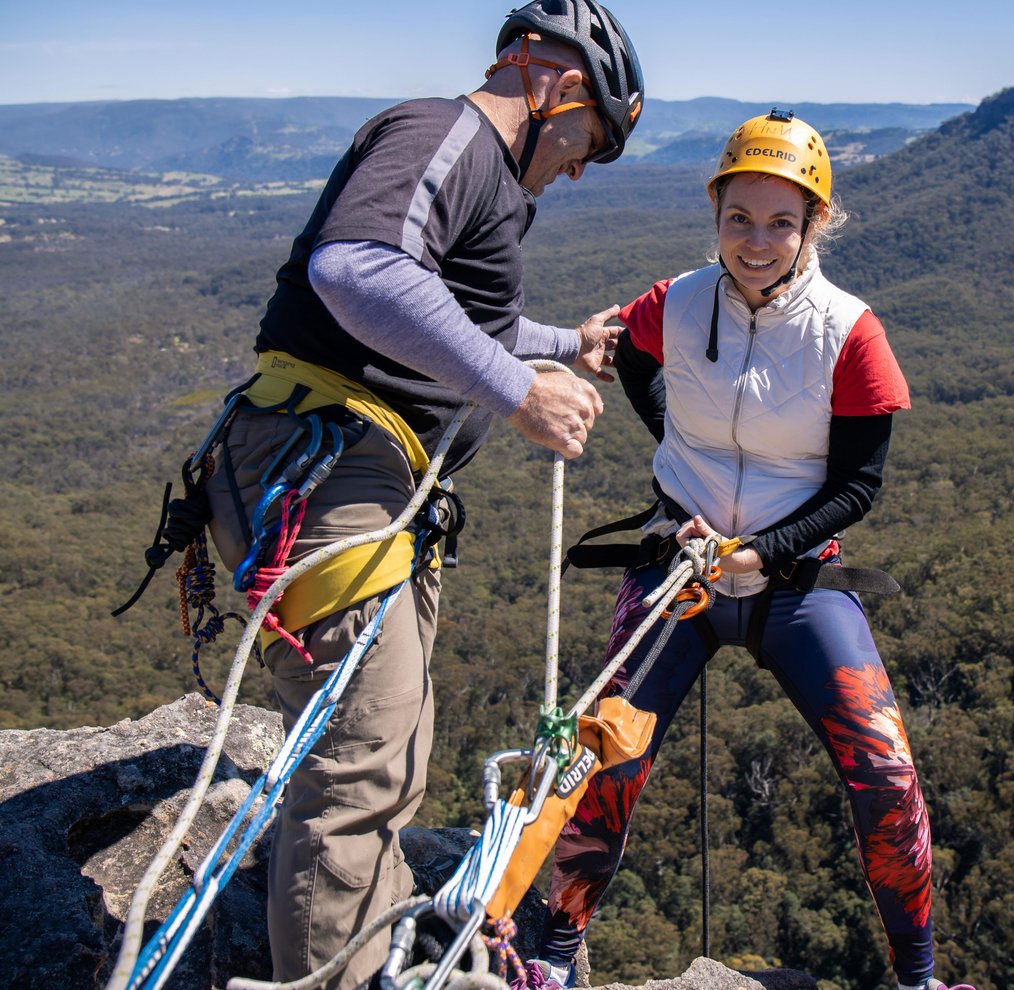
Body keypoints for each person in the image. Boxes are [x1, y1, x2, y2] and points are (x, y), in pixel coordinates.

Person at [196, 3, 644, 987]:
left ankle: (375, 948)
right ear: (560, 88)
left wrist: (565, 347)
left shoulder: (479, 174)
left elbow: (458, 314)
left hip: (356, 473)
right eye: (590, 142)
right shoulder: (446, 133)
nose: (579, 168)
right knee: (358, 766)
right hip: (328, 466)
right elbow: (357, 268)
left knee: (392, 743)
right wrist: (519, 393)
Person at [520, 112, 971, 990]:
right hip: (679, 564)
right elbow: (633, 355)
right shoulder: (678, 302)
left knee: (884, 773)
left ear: (814, 226)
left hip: (797, 577)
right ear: (716, 213)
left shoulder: (851, 334)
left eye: (781, 222)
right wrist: (674, 459)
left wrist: (764, 552)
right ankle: (556, 953)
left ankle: (917, 977)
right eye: (739, 218)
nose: (757, 241)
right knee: (601, 756)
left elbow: (856, 488)